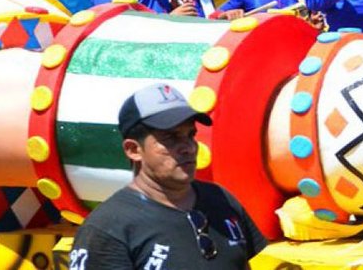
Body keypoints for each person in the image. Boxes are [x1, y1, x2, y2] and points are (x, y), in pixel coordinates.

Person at [69, 83, 266, 269]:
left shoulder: (221, 200)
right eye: (170, 138)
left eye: (191, 135)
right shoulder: (108, 228)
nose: (188, 147)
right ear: (134, 150)